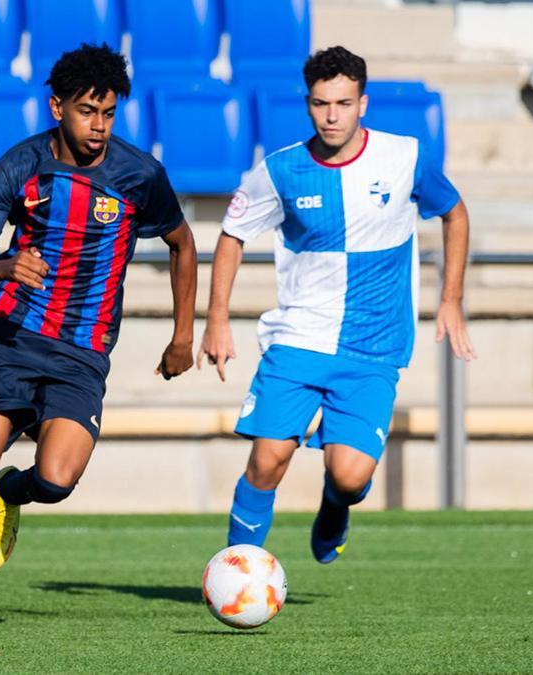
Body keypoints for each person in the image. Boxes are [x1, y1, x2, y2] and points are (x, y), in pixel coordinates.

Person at [0, 43, 198, 630]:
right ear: (57, 106)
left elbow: (183, 244)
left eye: (109, 113)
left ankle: (11, 498)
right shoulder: (20, 166)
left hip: (82, 356)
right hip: (11, 342)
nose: (99, 126)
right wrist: (4, 266)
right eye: (88, 110)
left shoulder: (140, 175)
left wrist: (183, 335)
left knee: (57, 482)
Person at [199, 46, 476, 563]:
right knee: (267, 460)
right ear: (308, 103)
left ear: (362, 104)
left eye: (343, 103)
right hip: (300, 337)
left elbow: (455, 214)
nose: (332, 115)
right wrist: (217, 319)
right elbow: (232, 234)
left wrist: (452, 298)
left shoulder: (406, 158)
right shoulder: (280, 170)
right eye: (322, 103)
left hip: (373, 347)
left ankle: (336, 504)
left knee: (349, 477)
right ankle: (237, 570)